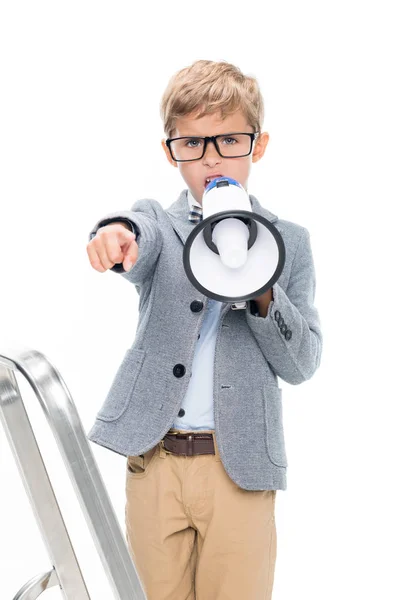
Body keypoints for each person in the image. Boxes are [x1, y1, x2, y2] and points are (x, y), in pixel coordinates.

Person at [86, 59, 323, 600]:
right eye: (191, 144)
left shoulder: (291, 242)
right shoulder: (160, 225)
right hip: (157, 463)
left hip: (238, 468)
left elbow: (303, 362)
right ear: (170, 151)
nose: (210, 157)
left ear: (257, 146)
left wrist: (265, 293)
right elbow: (133, 232)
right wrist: (115, 234)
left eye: (228, 140)